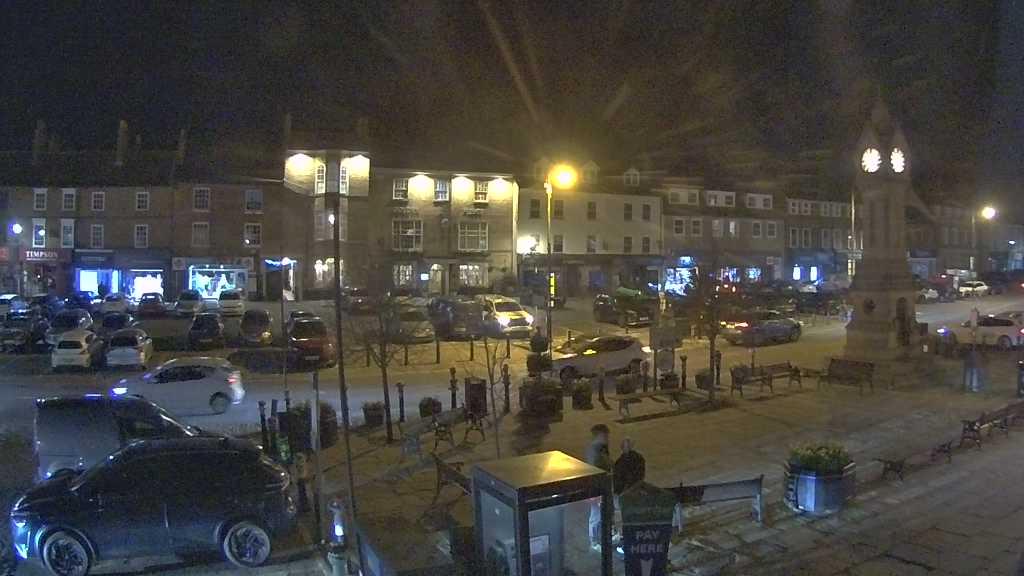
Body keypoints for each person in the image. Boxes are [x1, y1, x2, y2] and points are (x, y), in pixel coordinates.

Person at [586, 424, 611, 549]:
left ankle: (600, 539)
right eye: (605, 435)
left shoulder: (601, 448)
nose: (607, 437)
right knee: (596, 515)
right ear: (599, 435)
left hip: (602, 486)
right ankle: (594, 542)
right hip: (597, 487)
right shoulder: (595, 450)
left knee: (601, 514)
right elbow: (595, 469)